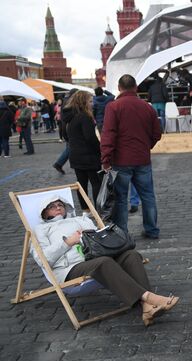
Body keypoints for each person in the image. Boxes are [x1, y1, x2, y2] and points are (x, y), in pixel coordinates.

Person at [34, 196, 179, 326]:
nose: (58, 208)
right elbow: (43, 260)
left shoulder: (80, 220)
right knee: (104, 262)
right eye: (52, 207)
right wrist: (68, 243)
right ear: (44, 213)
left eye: (60, 205)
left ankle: (147, 308)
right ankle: (150, 297)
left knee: (131, 255)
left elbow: (98, 238)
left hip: (95, 258)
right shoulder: (40, 230)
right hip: (69, 269)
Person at [101, 74, 162, 239]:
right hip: (142, 159)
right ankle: (151, 229)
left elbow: (108, 135)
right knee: (148, 196)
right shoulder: (147, 107)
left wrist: (106, 159)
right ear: (135, 87)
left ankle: (122, 234)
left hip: (121, 160)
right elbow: (157, 132)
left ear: (119, 88)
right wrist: (146, 146)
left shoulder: (113, 107)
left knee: (120, 198)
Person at [65, 91, 103, 210]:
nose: (92, 104)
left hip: (75, 155)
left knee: (81, 185)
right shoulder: (85, 116)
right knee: (96, 183)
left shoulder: (69, 117)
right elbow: (90, 137)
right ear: (83, 102)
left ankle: (85, 210)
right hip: (89, 156)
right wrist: (100, 150)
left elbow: (65, 135)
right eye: (90, 101)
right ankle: (98, 210)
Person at [53, 89, 78, 175]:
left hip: (66, 127)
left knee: (70, 147)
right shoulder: (70, 102)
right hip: (69, 127)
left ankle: (60, 164)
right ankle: (59, 163)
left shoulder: (66, 101)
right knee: (71, 147)